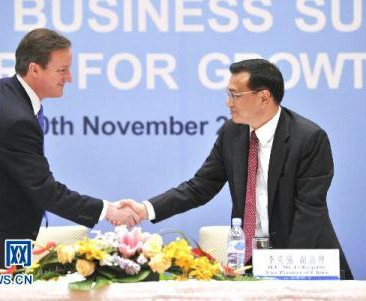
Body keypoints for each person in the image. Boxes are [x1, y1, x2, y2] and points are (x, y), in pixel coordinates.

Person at [120, 59, 353, 279]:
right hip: (252, 263)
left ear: (264, 97)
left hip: (306, 261)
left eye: (235, 95)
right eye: (228, 94)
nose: (228, 102)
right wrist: (144, 209)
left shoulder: (308, 138)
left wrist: (286, 275)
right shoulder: (232, 134)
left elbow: (309, 211)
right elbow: (199, 187)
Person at [0, 28, 138, 258]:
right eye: (62, 70)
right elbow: (44, 190)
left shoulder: (5, 91)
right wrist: (108, 210)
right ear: (34, 69)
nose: (69, 78)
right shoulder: (14, 117)